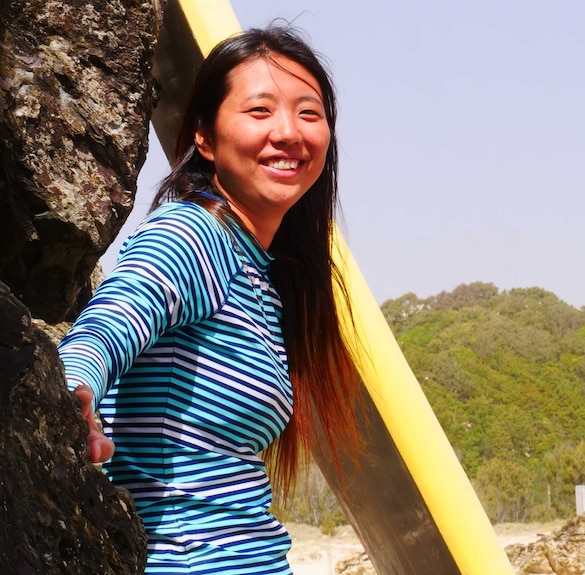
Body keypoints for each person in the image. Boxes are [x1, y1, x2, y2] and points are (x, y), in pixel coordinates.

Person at [58, 25, 364, 574]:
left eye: (309, 114)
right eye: (260, 111)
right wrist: (72, 390)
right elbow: (112, 321)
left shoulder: (262, 272)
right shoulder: (192, 235)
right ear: (205, 137)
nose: (289, 132)